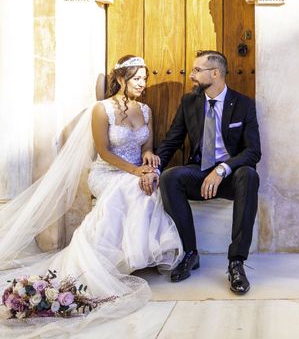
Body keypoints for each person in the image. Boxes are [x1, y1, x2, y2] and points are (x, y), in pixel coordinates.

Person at [0, 55, 182, 337]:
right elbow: (105, 151)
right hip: (107, 173)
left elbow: (147, 145)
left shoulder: (144, 110)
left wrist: (148, 160)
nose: (142, 84)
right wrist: (136, 172)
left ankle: (133, 258)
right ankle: (107, 260)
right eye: (137, 79)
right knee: (131, 188)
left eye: (145, 79)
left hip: (134, 173)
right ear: (121, 79)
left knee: (146, 189)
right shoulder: (102, 110)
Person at [149, 50, 261, 294]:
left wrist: (222, 169)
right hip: (198, 173)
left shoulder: (243, 104)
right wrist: (153, 169)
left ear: (215, 73)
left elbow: (253, 151)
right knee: (171, 177)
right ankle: (190, 253)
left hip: (229, 176)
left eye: (196, 71)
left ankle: (236, 262)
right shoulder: (189, 102)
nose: (191, 76)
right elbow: (172, 140)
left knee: (249, 175)